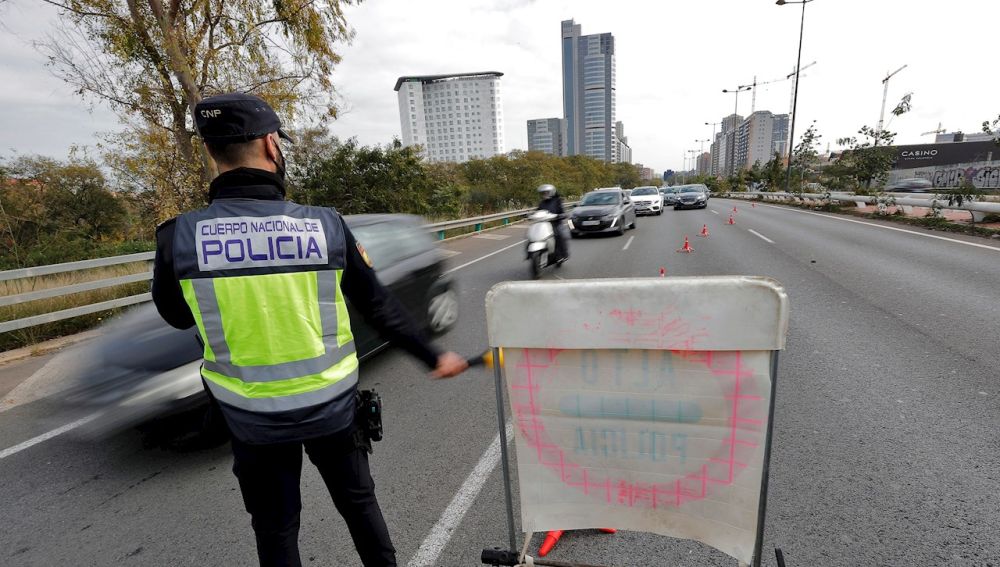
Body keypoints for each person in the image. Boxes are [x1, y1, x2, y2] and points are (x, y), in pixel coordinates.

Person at [150, 92, 468, 567]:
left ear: (213, 154)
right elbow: (379, 307)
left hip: (251, 418)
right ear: (270, 145)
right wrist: (433, 355)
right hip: (331, 410)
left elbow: (176, 315)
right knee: (358, 506)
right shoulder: (325, 226)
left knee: (277, 529)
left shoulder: (179, 236)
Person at [536, 183, 568, 262]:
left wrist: (560, 216)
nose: (544, 194)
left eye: (546, 192)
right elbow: (538, 211)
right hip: (543, 224)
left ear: (551, 192)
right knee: (534, 234)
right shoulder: (542, 202)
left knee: (559, 235)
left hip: (555, 223)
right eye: (543, 193)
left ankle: (562, 255)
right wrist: (530, 215)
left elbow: (562, 212)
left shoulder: (557, 201)